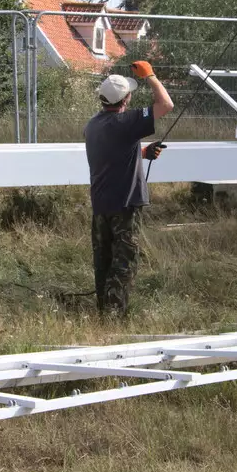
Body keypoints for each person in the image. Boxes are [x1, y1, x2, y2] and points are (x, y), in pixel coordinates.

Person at [84, 60, 173, 317]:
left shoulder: (93, 125)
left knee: (104, 260)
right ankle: (113, 319)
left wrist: (142, 153)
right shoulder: (124, 122)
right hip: (124, 205)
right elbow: (166, 105)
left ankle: (103, 312)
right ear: (125, 99)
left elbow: (112, 153)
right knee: (124, 263)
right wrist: (151, 76)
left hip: (101, 205)